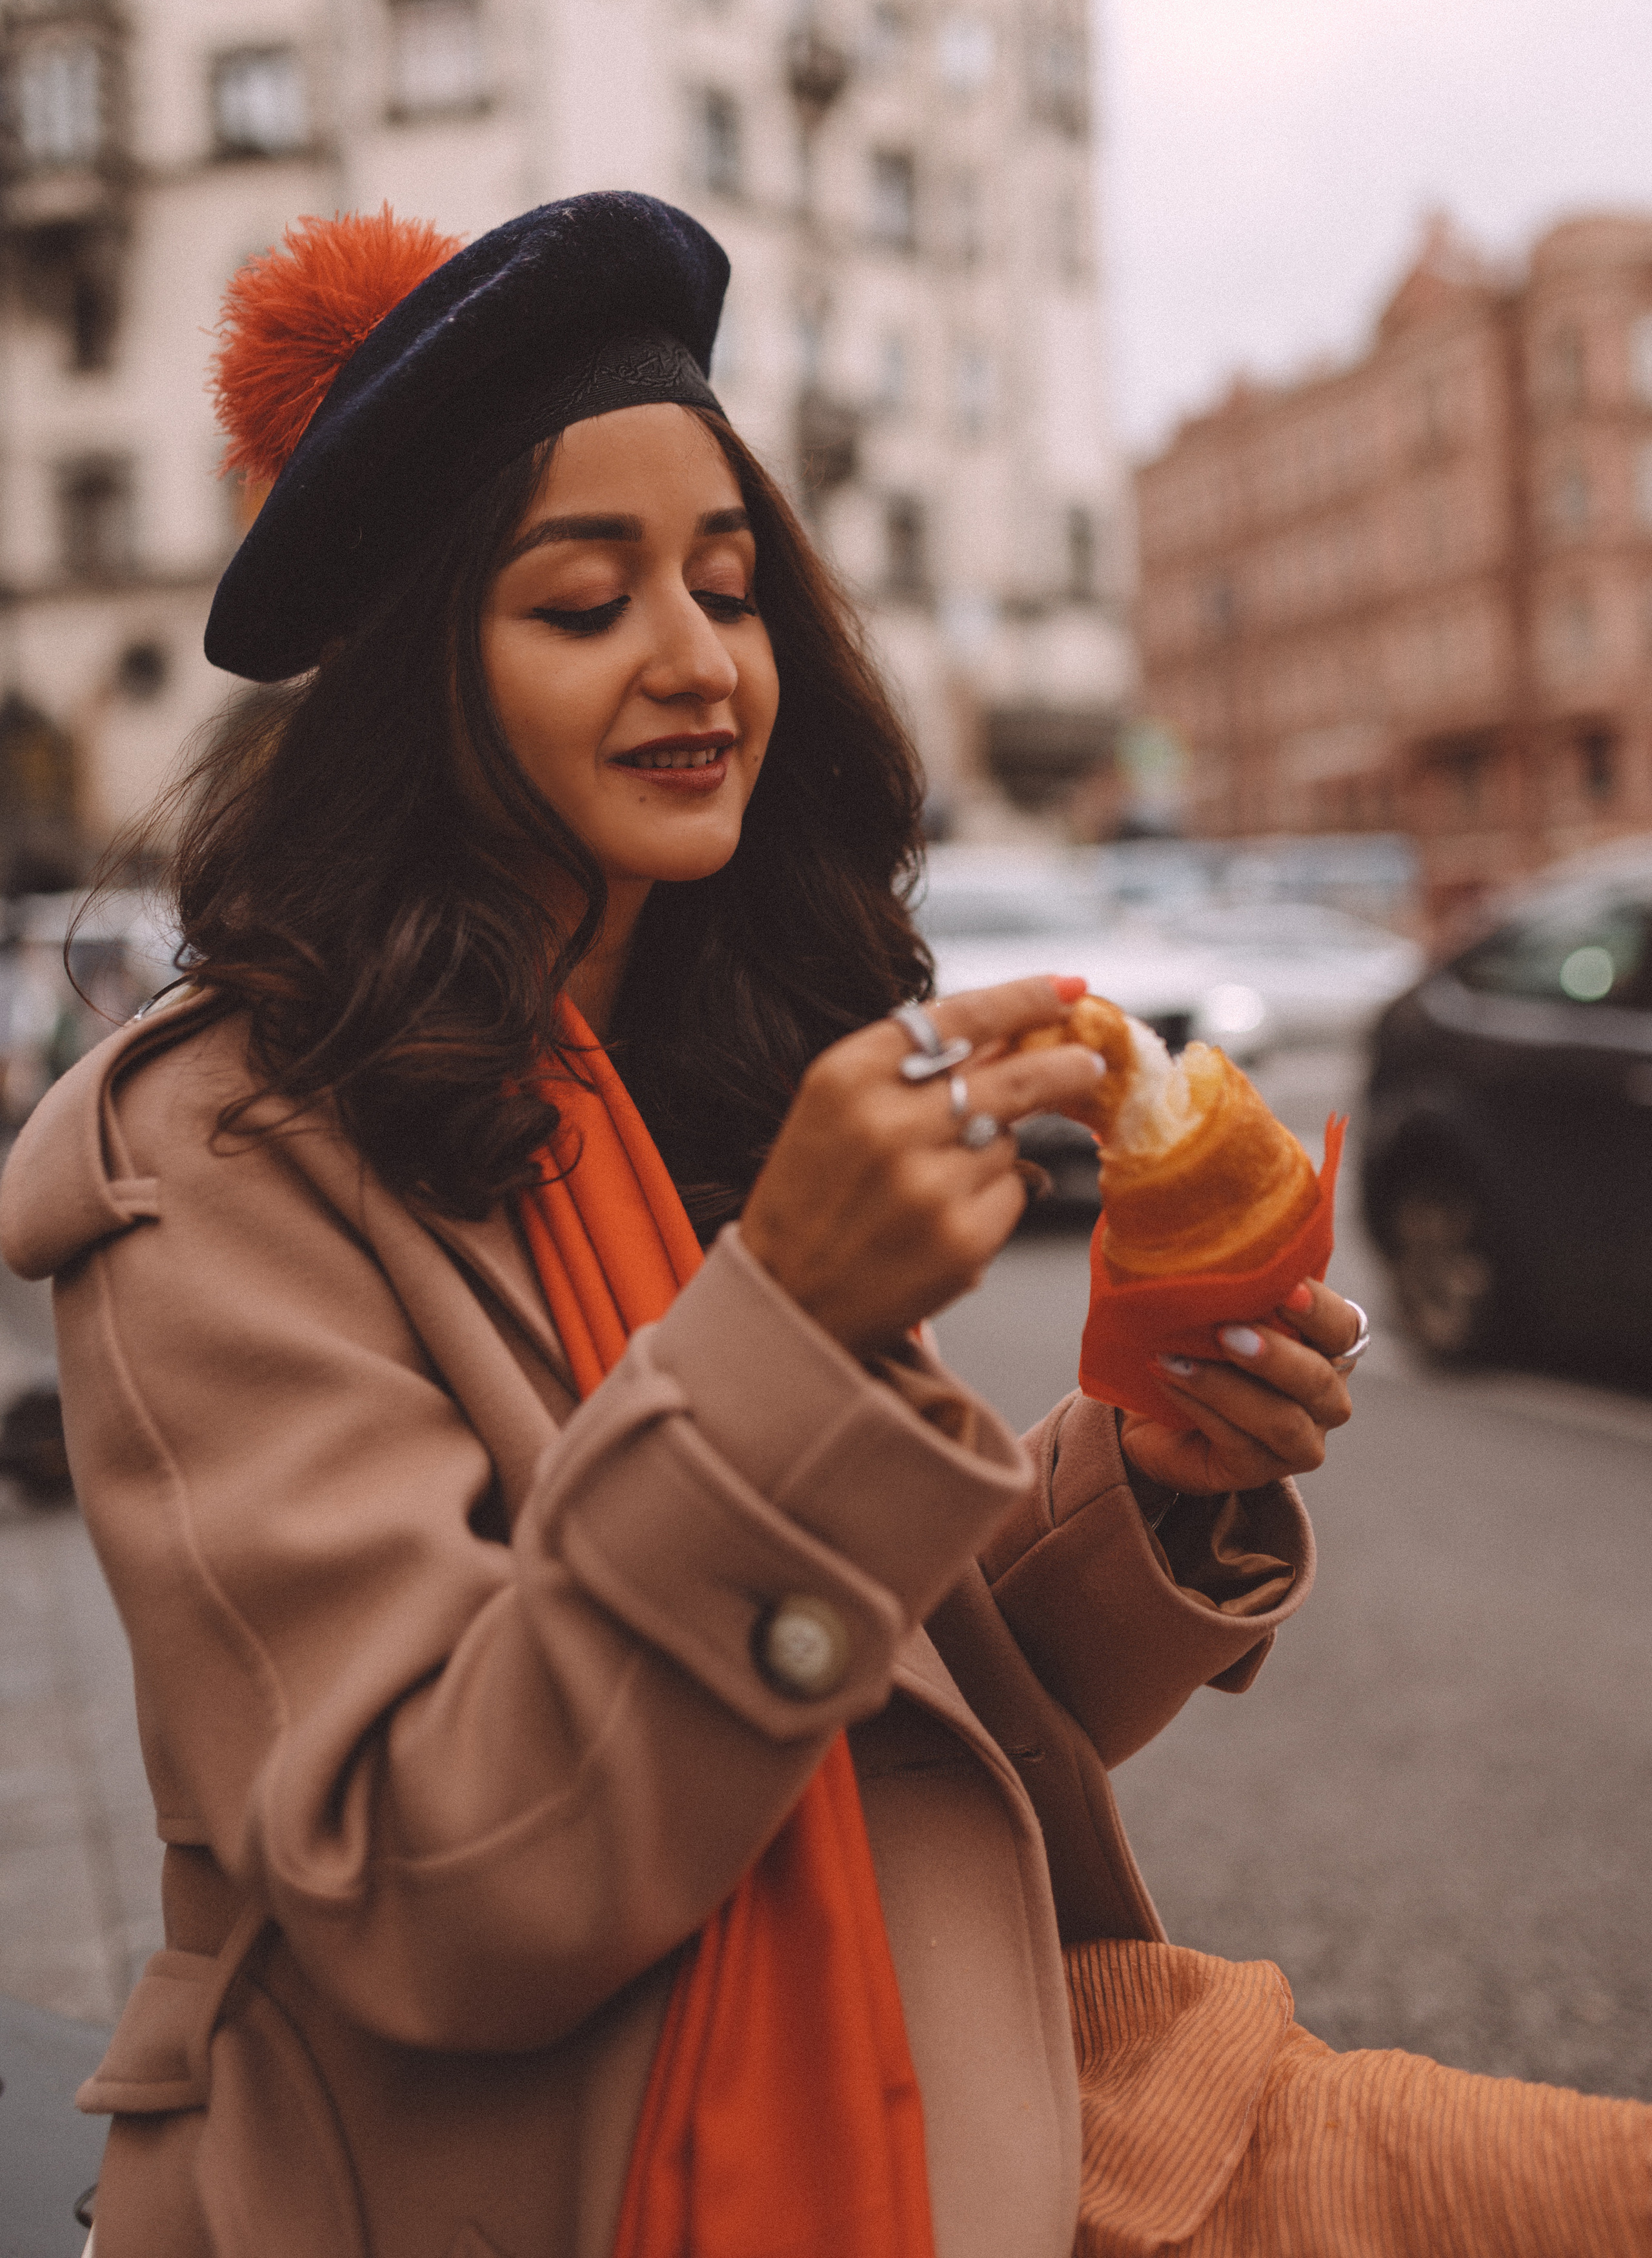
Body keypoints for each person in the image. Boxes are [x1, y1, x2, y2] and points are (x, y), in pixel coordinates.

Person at [1, 195, 1642, 2258]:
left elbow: (873, 1696)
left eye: (731, 584)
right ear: (425, 681)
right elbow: (448, 1898)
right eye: (585, 606)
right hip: (591, 2183)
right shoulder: (222, 1159)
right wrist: (791, 1317)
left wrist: (1144, 1466)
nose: (701, 663)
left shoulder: (697, 1064)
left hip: (989, 2065)